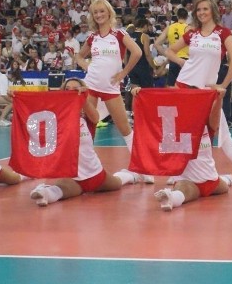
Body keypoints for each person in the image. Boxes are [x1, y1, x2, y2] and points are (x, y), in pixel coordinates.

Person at [164, 0, 232, 185]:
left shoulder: (223, 33)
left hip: (207, 92)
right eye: (198, 10)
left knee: (222, 132)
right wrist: (184, 63)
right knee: (182, 132)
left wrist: (222, 86)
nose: (201, 13)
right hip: (183, 86)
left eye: (205, 9)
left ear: (213, 11)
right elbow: (169, 51)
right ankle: (178, 172)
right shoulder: (191, 33)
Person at [30, 78, 152, 206]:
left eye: (75, 88)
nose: (71, 91)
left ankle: (134, 175)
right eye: (67, 89)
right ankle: (44, 193)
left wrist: (83, 99)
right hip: (72, 176)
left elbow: (95, 117)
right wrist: (15, 98)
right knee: (61, 190)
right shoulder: (56, 118)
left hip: (95, 173)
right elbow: (36, 110)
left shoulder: (86, 117)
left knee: (116, 183)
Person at [143, 86, 232, 211]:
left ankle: (227, 178)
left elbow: (215, 121)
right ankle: (170, 197)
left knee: (223, 187)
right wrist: (139, 96)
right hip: (187, 180)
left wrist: (219, 99)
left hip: (210, 180)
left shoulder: (206, 126)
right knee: (184, 191)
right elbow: (148, 114)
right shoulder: (173, 127)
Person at [75, 0, 142, 153]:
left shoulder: (119, 34)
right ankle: (84, 164)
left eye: (102, 11)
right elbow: (79, 56)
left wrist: (123, 73)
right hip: (91, 86)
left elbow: (137, 52)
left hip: (111, 87)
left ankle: (140, 166)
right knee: (87, 127)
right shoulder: (92, 37)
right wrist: (87, 66)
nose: (99, 15)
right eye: (95, 12)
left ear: (109, 12)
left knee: (124, 128)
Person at [155, 7, 190, 87]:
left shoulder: (170, 27)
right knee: (186, 87)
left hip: (173, 59)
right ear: (187, 17)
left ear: (177, 16)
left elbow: (157, 44)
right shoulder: (188, 28)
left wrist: (167, 54)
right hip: (185, 60)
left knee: (171, 86)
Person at [126, 18, 158, 90]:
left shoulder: (128, 36)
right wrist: (153, 67)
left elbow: (126, 53)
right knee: (147, 91)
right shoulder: (144, 36)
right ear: (145, 26)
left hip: (131, 67)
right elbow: (147, 54)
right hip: (142, 67)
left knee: (135, 91)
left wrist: (126, 66)